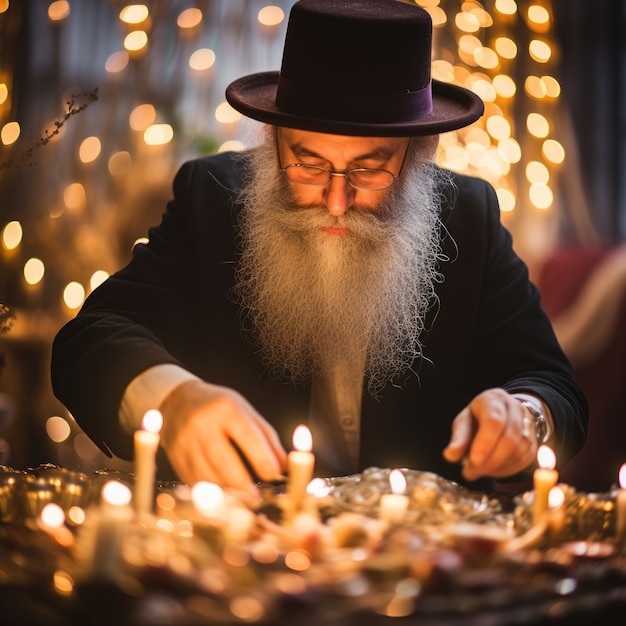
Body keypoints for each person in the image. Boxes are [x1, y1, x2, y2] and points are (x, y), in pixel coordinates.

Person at [51, 0, 587, 493]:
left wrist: (527, 416)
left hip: (418, 562)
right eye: (307, 163)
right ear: (273, 142)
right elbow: (88, 341)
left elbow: (554, 386)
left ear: (414, 158)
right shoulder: (211, 198)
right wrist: (172, 399)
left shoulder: (469, 216)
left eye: (370, 168)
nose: (336, 200)